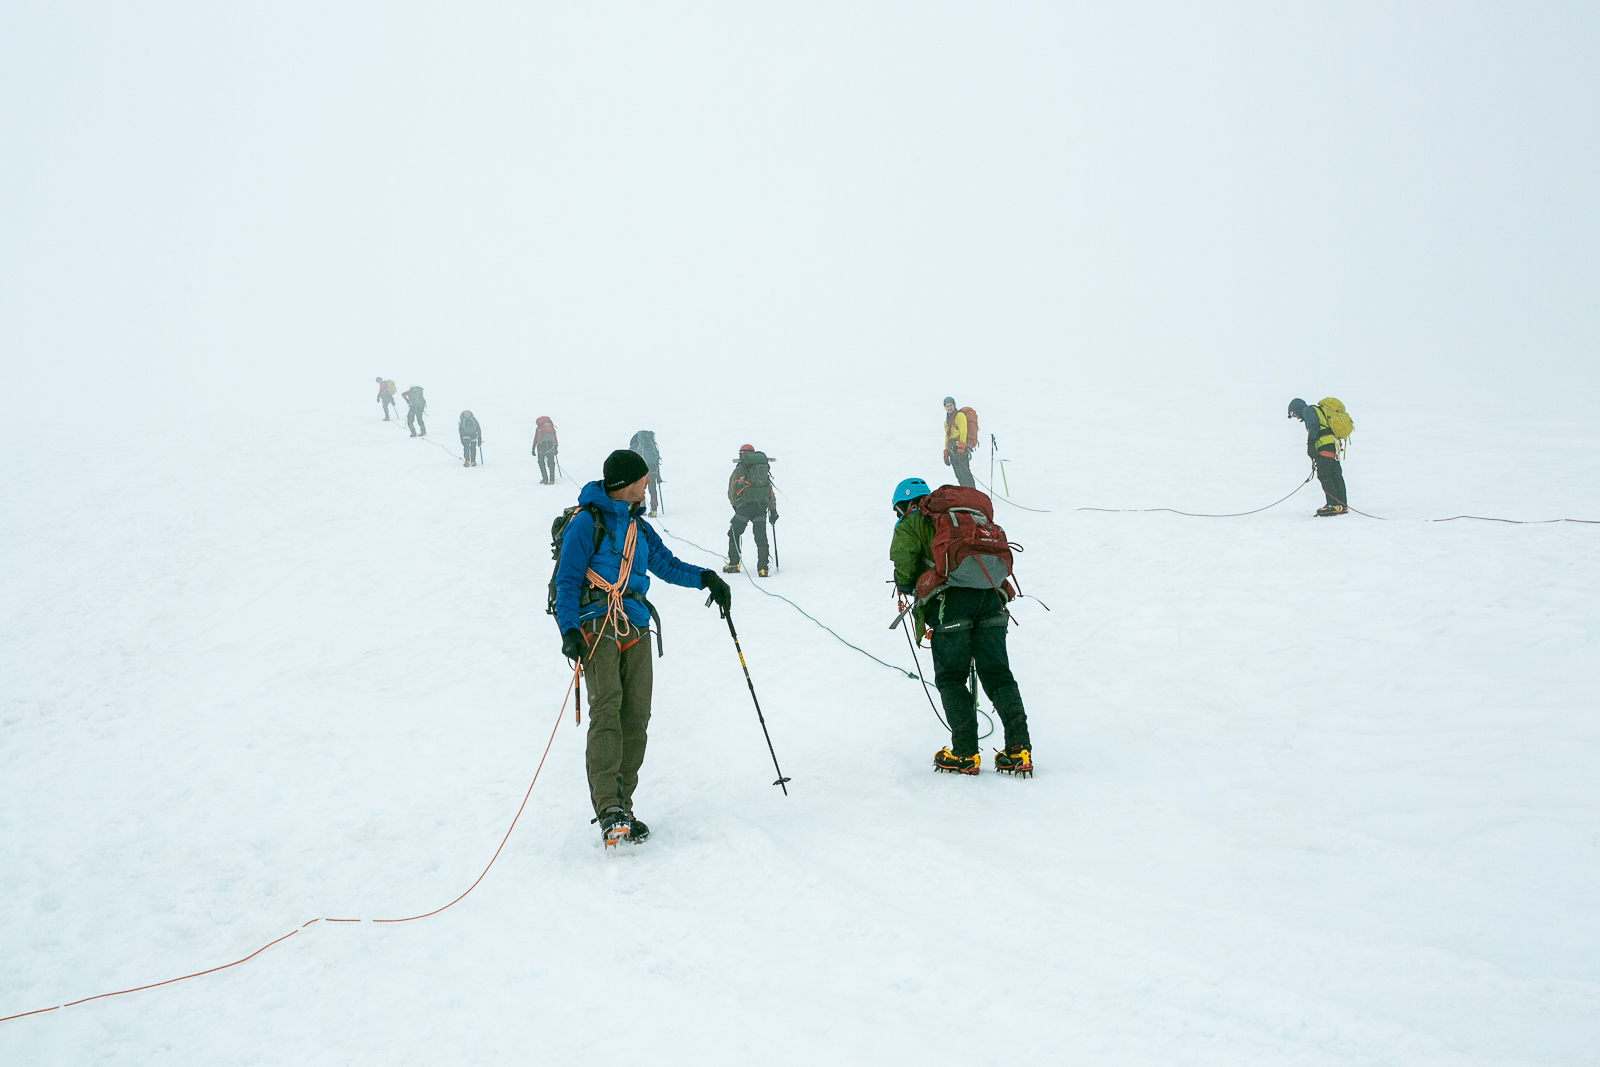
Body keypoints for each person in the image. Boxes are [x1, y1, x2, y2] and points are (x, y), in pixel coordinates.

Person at [553, 449, 733, 846]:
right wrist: (568, 629)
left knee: (636, 714)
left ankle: (623, 805)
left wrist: (706, 578)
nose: (648, 483)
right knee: (607, 710)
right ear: (626, 484)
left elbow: (666, 565)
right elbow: (567, 580)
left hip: (634, 624)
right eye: (643, 479)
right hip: (596, 626)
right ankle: (608, 809)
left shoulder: (638, 527)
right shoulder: (587, 523)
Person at [890, 477, 1033, 777]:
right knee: (997, 674)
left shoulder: (914, 521)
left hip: (950, 604)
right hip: (992, 600)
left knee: (952, 678)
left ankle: (965, 753)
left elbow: (904, 565)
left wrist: (908, 584)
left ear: (904, 505)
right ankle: (1019, 749)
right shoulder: (963, 519)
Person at [1288, 398, 1348, 516]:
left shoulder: (1308, 410)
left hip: (1324, 445)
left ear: (1298, 408)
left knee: (1324, 475)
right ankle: (1342, 505)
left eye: (1294, 413)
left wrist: (1311, 444)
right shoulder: (1316, 410)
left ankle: (1333, 505)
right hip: (1333, 444)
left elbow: (1314, 426)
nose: (1296, 417)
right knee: (1335, 474)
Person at [725, 444, 778, 577]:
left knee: (734, 532)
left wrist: (736, 506)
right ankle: (763, 568)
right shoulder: (762, 469)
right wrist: (773, 510)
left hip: (745, 506)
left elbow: (732, 490)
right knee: (761, 537)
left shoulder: (741, 469)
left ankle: (734, 564)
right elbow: (769, 489)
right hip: (761, 506)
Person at [942, 397, 976, 488]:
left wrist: (961, 447)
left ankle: (973, 495)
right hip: (952, 450)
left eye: (950, 405)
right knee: (959, 475)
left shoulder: (960, 416)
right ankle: (965, 495)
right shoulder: (946, 422)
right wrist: (946, 452)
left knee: (965, 473)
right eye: (947, 406)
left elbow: (963, 431)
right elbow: (947, 437)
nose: (949, 408)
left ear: (954, 405)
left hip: (960, 448)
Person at [629, 431, 663, 516]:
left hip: (642, 471)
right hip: (653, 471)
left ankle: (642, 509)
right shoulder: (653, 446)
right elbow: (657, 461)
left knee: (640, 489)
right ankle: (654, 509)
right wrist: (658, 477)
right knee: (652, 489)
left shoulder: (637, 445)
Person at [533, 416, 559, 483]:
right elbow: (555, 438)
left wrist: (533, 448)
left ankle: (545, 479)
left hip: (541, 446)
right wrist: (556, 448)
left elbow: (536, 438)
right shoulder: (551, 428)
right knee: (551, 462)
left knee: (541, 462)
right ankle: (552, 479)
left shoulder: (539, 428)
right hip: (551, 446)